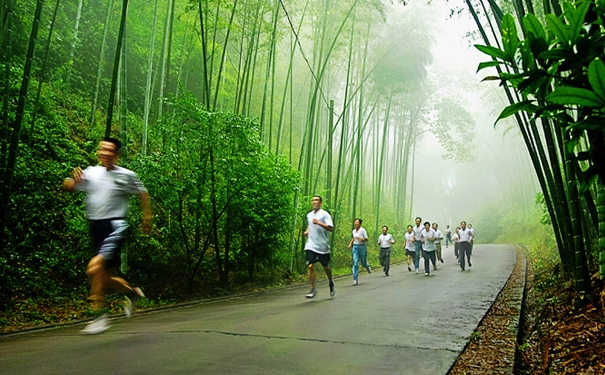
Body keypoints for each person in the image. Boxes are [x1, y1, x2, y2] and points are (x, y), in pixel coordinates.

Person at [63, 137, 151, 334]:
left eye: (109, 150)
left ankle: (99, 316)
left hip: (115, 226)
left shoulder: (126, 175)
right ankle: (132, 293)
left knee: (94, 268)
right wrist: (72, 181)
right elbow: (68, 185)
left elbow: (142, 193)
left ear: (116, 154)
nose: (105, 153)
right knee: (101, 276)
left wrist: (147, 217)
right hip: (96, 227)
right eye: (102, 149)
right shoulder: (92, 172)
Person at [303, 195, 335, 298]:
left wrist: (319, 223)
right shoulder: (309, 215)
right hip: (311, 245)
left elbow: (330, 228)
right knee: (310, 265)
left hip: (323, 247)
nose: (314, 202)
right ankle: (312, 289)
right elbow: (310, 225)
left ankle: (330, 281)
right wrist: (307, 231)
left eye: (316, 200)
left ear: (320, 203)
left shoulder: (325, 215)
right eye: (313, 200)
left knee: (325, 267)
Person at [348, 218, 371, 285]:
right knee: (355, 262)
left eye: (357, 223)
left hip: (362, 247)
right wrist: (350, 243)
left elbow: (366, 239)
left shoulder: (363, 230)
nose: (355, 224)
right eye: (355, 222)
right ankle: (355, 278)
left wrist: (361, 239)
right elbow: (353, 238)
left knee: (363, 262)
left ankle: (366, 266)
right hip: (355, 247)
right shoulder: (353, 231)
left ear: (360, 224)